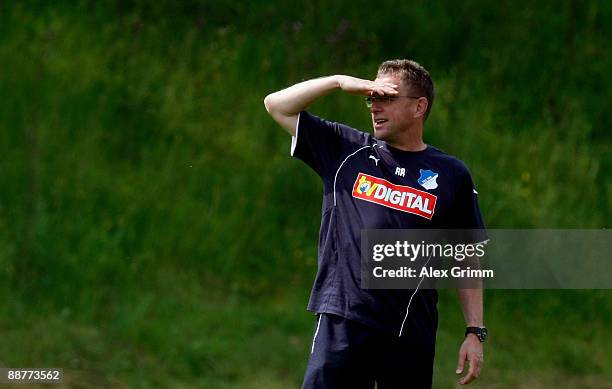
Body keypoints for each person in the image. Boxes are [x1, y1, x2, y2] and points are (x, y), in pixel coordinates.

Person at [264, 59, 487, 388]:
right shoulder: (346, 150)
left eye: (386, 98)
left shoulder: (451, 174)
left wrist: (474, 332)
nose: (375, 107)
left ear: (419, 107)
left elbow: (465, 256)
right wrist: (339, 81)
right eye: (371, 97)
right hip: (342, 323)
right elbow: (276, 105)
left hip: (410, 334)